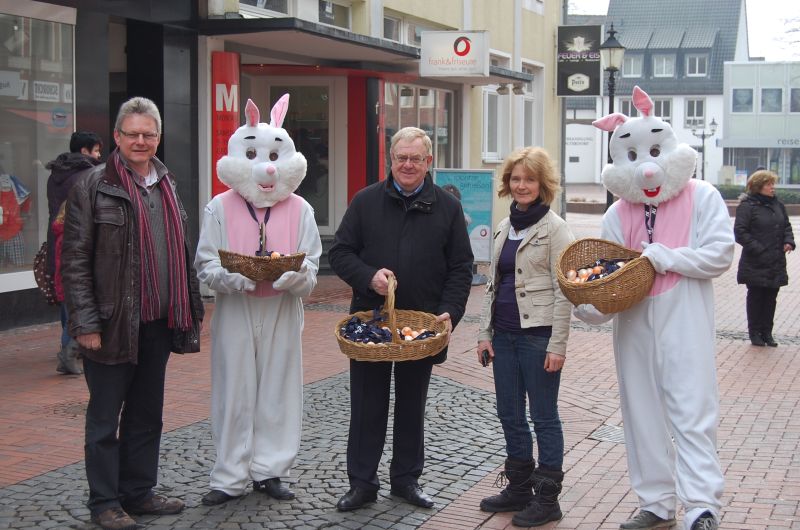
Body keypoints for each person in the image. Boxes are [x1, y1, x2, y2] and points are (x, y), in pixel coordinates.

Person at [582, 86, 734, 530]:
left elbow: (719, 255)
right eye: (633, 155)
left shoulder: (701, 196)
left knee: (692, 408)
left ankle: (703, 506)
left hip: (683, 314)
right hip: (634, 321)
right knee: (640, 409)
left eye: (653, 150)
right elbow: (605, 274)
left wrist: (666, 256)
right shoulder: (618, 213)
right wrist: (591, 307)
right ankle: (656, 503)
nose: (647, 165)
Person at [61, 97, 204, 530]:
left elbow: (179, 252)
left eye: (148, 134)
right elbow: (75, 261)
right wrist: (83, 323)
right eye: (132, 133)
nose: (140, 141)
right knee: (105, 418)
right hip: (109, 323)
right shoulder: (90, 186)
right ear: (117, 138)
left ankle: (138, 492)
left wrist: (190, 309)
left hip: (158, 321)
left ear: (158, 137)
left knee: (146, 414)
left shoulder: (166, 182)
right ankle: (104, 502)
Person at [328, 126, 473, 512]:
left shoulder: (448, 206)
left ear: (429, 162)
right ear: (390, 160)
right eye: (400, 158)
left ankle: (406, 480)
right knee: (366, 405)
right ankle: (362, 483)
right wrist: (367, 276)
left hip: (421, 326)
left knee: (412, 406)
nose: (407, 165)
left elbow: (461, 267)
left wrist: (451, 311)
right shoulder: (365, 201)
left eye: (415, 158)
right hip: (371, 323)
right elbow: (340, 253)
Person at [194, 96, 322, 507]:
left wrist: (297, 277)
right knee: (234, 389)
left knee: (279, 388)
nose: (265, 167)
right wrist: (230, 277)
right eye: (253, 155)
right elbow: (205, 262)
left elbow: (312, 263)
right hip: (236, 309)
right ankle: (230, 474)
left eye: (272, 156)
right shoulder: (219, 206)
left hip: (282, 309)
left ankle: (271, 469)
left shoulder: (301, 208)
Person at [476, 147, 574, 528]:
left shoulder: (556, 229)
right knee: (510, 413)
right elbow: (492, 286)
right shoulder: (505, 226)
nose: (521, 185)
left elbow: (564, 289)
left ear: (542, 184)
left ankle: (547, 498)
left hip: (538, 338)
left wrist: (558, 346)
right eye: (516, 179)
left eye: (529, 179)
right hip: (504, 337)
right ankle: (519, 487)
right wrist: (485, 333)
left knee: (544, 417)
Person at [45, 131, 103, 375]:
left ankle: (67, 344)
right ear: (84, 151)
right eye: (96, 151)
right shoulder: (85, 176)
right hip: (77, 241)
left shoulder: (56, 175)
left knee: (65, 293)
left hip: (57, 239)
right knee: (77, 294)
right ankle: (70, 348)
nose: (99, 155)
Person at [734, 169, 795, 346]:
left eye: (772, 184)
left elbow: (786, 227)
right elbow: (740, 232)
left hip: (775, 261)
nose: (772, 187)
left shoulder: (778, 205)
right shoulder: (747, 206)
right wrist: (759, 248)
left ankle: (767, 333)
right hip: (756, 261)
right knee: (756, 297)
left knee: (771, 297)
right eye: (769, 184)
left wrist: (789, 241)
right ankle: (755, 333)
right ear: (758, 186)